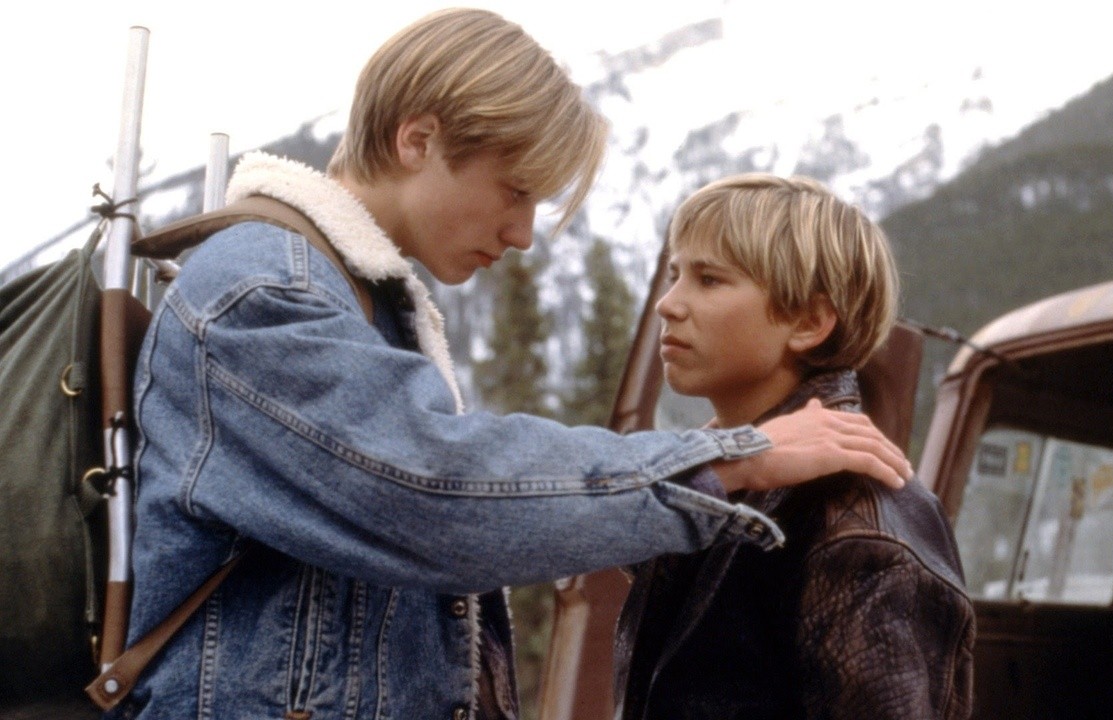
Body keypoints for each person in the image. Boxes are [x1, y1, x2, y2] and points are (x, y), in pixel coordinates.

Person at [115, 9, 912, 720]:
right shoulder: (266, 290)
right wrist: (729, 460)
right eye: (516, 190)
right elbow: (432, 492)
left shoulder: (351, 297)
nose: (525, 232)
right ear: (418, 140)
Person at [613, 174, 976, 719]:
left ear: (808, 322)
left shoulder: (856, 527)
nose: (669, 304)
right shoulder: (716, 479)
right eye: (674, 275)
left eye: (708, 279)